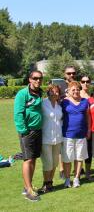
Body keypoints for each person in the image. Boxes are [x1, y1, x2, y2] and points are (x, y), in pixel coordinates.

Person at [14, 70, 43, 201]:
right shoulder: (22, 94)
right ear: (30, 80)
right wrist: (24, 130)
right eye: (35, 78)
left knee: (34, 158)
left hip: (38, 130)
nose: (38, 80)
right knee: (28, 159)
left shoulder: (40, 92)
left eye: (40, 78)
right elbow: (18, 114)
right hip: (27, 131)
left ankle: (28, 185)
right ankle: (28, 190)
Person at [61, 81, 89, 188]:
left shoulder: (85, 101)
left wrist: (89, 130)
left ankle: (76, 178)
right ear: (69, 91)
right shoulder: (64, 102)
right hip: (67, 134)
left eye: (77, 89)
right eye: (73, 89)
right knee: (68, 158)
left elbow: (88, 117)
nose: (76, 91)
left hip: (81, 134)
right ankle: (68, 179)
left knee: (79, 157)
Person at [39, 84, 63, 193]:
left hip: (58, 138)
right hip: (45, 138)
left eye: (57, 91)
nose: (54, 93)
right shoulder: (43, 103)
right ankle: (46, 182)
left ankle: (50, 182)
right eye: (52, 91)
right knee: (48, 163)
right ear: (48, 92)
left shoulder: (59, 106)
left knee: (55, 163)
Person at [80, 75, 93, 180]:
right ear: (80, 83)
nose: (85, 83)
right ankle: (78, 171)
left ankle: (88, 173)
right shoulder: (77, 94)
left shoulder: (93, 95)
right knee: (79, 150)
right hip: (80, 127)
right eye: (83, 81)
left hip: (91, 126)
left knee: (89, 151)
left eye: (87, 81)